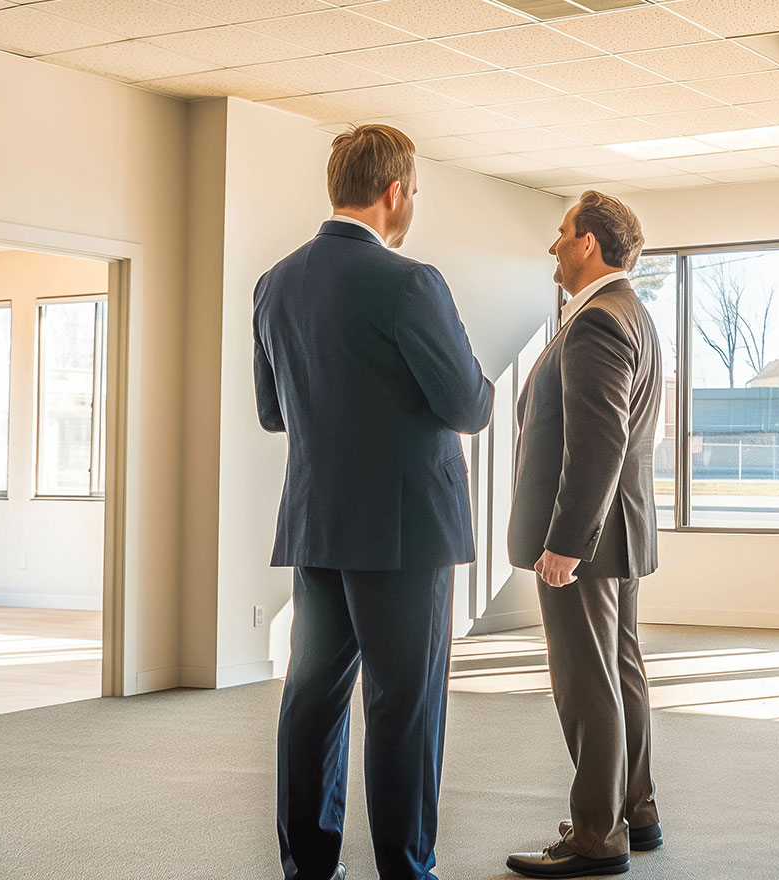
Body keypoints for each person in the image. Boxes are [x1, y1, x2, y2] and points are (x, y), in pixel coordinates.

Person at [254, 123, 492, 880]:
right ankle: (405, 871)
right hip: (405, 535)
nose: (412, 202)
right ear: (394, 193)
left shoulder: (275, 282)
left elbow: (272, 411)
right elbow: (468, 403)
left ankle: (310, 868)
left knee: (311, 700)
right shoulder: (411, 283)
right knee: (404, 707)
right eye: (414, 191)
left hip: (318, 523)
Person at [503, 191, 664, 879]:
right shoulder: (630, 312)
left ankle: (598, 836)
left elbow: (598, 442)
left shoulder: (598, 320)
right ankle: (638, 809)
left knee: (586, 680)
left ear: (590, 243)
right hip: (619, 533)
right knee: (619, 671)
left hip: (586, 542)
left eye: (562, 234)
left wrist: (566, 542)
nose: (553, 247)